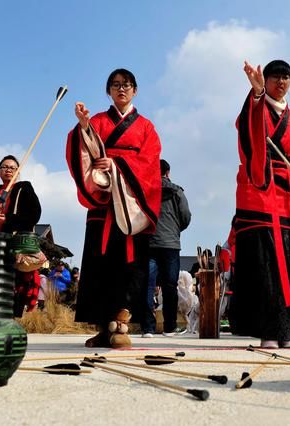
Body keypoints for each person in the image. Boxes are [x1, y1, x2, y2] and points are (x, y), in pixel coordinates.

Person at [228, 60, 290, 349]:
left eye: (285, 77)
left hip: (287, 195)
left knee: (288, 260)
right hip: (257, 191)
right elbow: (247, 130)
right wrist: (256, 94)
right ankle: (267, 330)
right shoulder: (255, 106)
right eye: (274, 77)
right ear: (265, 81)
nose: (280, 82)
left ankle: (289, 329)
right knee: (263, 262)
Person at [66, 68, 161, 349]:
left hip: (132, 205)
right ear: (108, 91)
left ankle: (122, 324)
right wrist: (83, 128)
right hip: (102, 203)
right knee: (99, 265)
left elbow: (151, 164)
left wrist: (118, 167)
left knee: (129, 266)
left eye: (127, 85)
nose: (122, 89)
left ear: (135, 91)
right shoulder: (96, 120)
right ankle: (102, 326)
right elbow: (82, 151)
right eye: (116, 85)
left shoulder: (146, 127)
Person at [0, 155, 42, 317]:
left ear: (18, 171)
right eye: (4, 167)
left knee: (14, 282)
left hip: (14, 243)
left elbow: (34, 215)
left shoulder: (24, 188)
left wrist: (8, 219)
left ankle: (10, 318)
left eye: (12, 167)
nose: (8, 170)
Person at [142, 159, 191, 338]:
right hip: (170, 244)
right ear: (168, 172)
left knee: (148, 285)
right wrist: (175, 229)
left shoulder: (146, 190)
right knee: (170, 286)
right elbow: (186, 216)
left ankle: (147, 327)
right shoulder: (177, 191)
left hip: (149, 242)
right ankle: (170, 327)